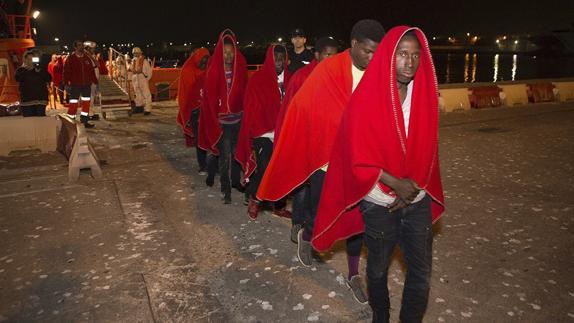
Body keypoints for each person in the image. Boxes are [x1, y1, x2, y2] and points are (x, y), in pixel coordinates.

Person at [312, 26, 445, 323]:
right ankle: (380, 316)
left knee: (421, 273)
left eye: (415, 55)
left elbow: (428, 150)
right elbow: (353, 152)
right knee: (378, 268)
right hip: (379, 200)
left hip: (417, 197)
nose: (409, 62)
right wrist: (394, 183)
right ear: (389, 56)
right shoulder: (366, 97)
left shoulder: (425, 98)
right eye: (402, 54)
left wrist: (414, 187)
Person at [257, 19, 385, 303]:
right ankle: (307, 234)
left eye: (378, 52)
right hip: (326, 161)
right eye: (367, 51)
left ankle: (353, 274)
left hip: (360, 162)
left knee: (358, 221)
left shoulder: (378, 73)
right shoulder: (328, 70)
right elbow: (301, 107)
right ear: (353, 45)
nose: (373, 58)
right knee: (321, 215)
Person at [274, 36, 339, 242]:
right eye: (327, 54)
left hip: (326, 147)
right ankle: (297, 225)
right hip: (304, 142)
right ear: (317, 55)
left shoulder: (338, 78)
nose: (331, 59)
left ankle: (312, 228)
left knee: (319, 192)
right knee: (302, 188)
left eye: (334, 55)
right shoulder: (301, 77)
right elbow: (288, 112)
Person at [236, 44, 290, 219]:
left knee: (283, 169)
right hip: (263, 132)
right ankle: (255, 199)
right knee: (265, 167)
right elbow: (251, 108)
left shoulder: (291, 79)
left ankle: (279, 205)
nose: (279, 62)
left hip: (284, 133)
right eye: (276, 58)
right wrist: (254, 130)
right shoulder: (258, 79)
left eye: (282, 58)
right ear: (269, 58)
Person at [198, 29, 247, 204]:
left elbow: (245, 93)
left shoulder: (240, 68)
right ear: (220, 52)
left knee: (236, 154)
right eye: (225, 52)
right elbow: (208, 100)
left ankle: (235, 182)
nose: (228, 55)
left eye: (231, 52)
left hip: (238, 120)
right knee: (224, 156)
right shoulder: (213, 70)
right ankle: (225, 189)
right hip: (222, 123)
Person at [176, 47, 210, 173]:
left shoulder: (209, 69)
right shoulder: (188, 70)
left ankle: (213, 164)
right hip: (195, 111)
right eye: (202, 60)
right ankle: (203, 165)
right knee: (200, 139)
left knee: (212, 137)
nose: (204, 63)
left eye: (207, 60)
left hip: (208, 110)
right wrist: (187, 115)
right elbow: (185, 95)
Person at [62, 40, 98, 127]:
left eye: (82, 45)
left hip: (86, 85)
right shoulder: (70, 58)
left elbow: (91, 70)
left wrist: (95, 82)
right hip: (75, 85)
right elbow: (66, 72)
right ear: (75, 47)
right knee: (73, 103)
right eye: (79, 45)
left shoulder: (86, 58)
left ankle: (84, 121)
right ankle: (71, 122)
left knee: (86, 104)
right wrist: (66, 84)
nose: (81, 47)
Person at [14, 49, 51, 117]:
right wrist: (26, 70)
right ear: (24, 59)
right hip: (27, 101)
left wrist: (39, 70)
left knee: (40, 121)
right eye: (28, 59)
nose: (29, 61)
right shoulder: (21, 70)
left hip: (41, 100)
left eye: (31, 59)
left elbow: (49, 78)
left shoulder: (40, 69)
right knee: (29, 122)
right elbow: (18, 78)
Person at [130, 47, 153, 115]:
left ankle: (147, 109)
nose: (135, 54)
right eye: (134, 53)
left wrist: (146, 79)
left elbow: (149, 72)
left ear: (140, 53)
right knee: (137, 94)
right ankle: (139, 107)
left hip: (142, 78)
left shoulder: (145, 61)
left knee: (146, 94)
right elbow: (131, 70)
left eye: (136, 53)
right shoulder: (132, 61)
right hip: (135, 79)